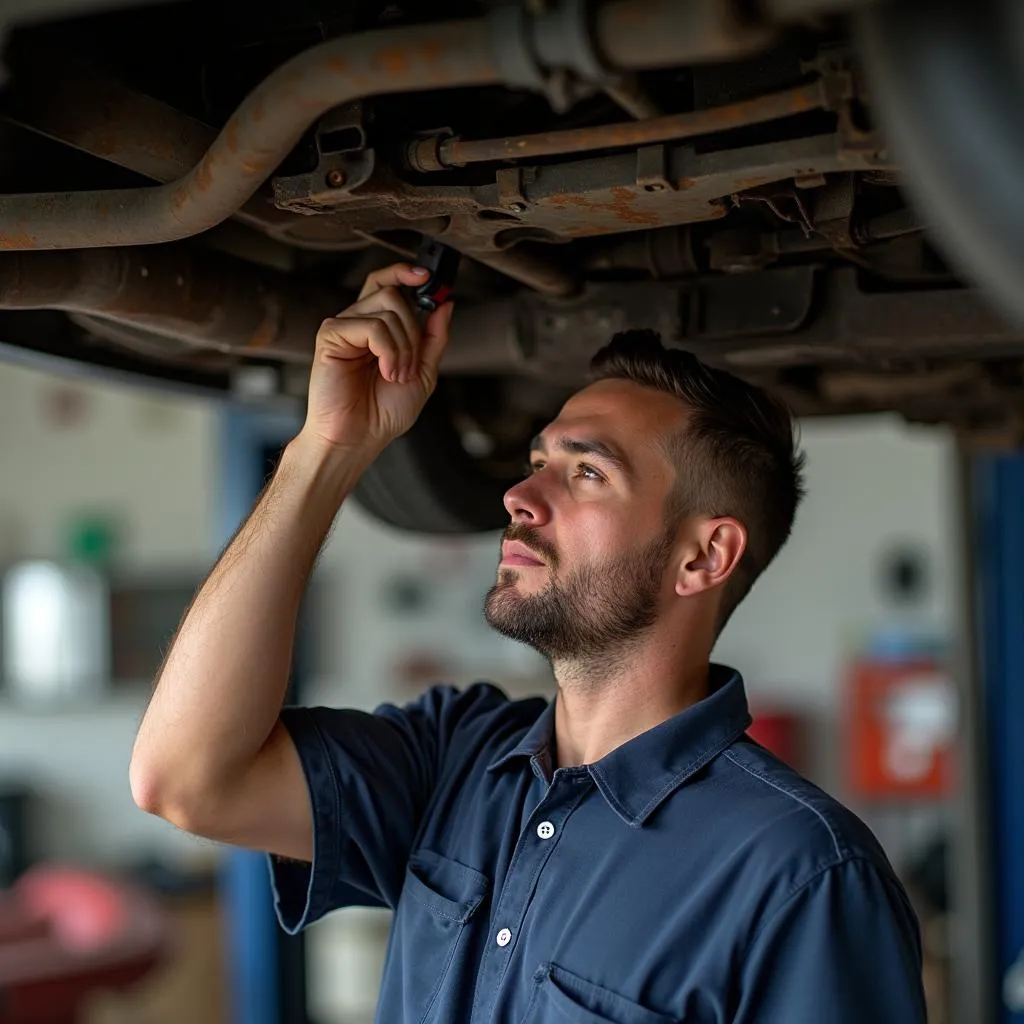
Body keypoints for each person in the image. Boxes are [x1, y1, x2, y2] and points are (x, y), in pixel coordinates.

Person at [130, 262, 927, 1023]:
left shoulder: (799, 874)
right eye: (537, 460)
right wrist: (330, 448)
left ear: (703, 557)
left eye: (586, 474)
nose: (519, 494)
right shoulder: (455, 756)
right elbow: (186, 779)